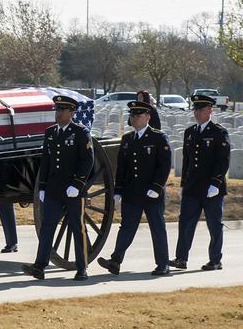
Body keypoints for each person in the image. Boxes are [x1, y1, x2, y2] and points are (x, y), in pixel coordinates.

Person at [22, 95, 95, 280]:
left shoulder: (80, 132)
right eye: (57, 109)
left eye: (62, 110)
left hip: (72, 189)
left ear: (71, 112)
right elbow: (46, 162)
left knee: (78, 228)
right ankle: (40, 265)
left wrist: (78, 184)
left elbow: (88, 160)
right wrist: (43, 187)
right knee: (47, 227)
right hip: (54, 189)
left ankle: (82, 267)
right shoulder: (51, 132)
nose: (58, 113)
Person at [98, 101, 172, 276]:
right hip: (132, 193)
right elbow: (122, 168)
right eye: (132, 116)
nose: (134, 119)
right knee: (126, 227)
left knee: (157, 227)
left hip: (151, 193)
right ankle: (115, 261)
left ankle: (163, 264)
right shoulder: (127, 139)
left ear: (147, 117)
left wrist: (157, 187)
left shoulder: (158, 137)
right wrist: (118, 190)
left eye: (138, 116)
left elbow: (164, 165)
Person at [169, 94, 229, 271]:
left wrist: (216, 183)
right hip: (192, 187)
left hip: (211, 188)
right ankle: (181, 258)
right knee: (185, 222)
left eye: (200, 109)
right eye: (195, 109)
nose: (196, 112)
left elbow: (223, 160)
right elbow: (187, 162)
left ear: (210, 110)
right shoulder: (190, 132)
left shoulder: (219, 132)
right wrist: (182, 184)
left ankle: (215, 260)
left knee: (214, 224)